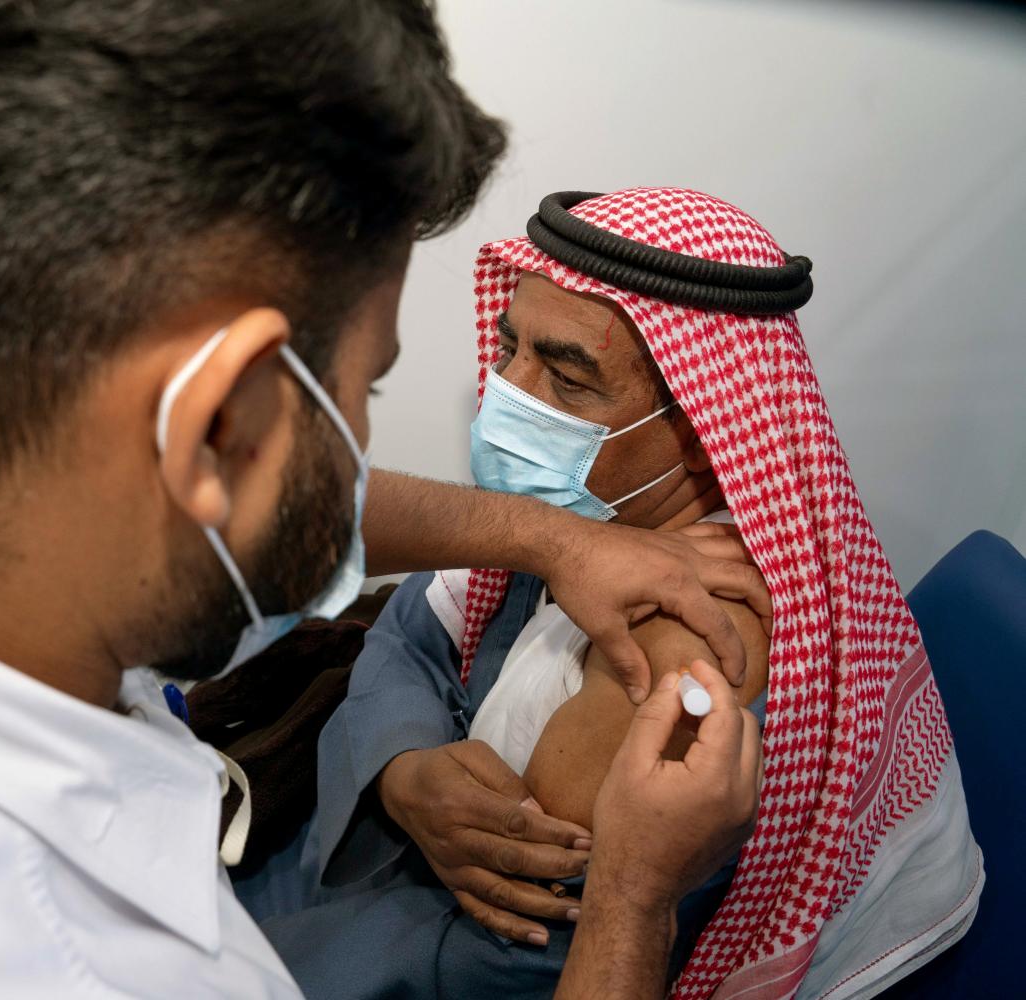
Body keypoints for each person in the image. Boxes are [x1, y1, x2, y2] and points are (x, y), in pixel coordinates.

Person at [0, 2, 764, 995]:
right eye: (365, 391)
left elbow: (294, 510)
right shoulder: (109, 968)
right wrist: (635, 902)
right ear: (217, 431)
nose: (379, 438)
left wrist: (547, 534)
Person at [251, 188, 981, 999]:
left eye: (566, 376)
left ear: (708, 433)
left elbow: (507, 955)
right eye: (510, 349)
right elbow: (404, 635)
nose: (508, 395)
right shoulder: (579, 518)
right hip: (366, 867)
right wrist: (403, 768)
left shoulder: (694, 651)